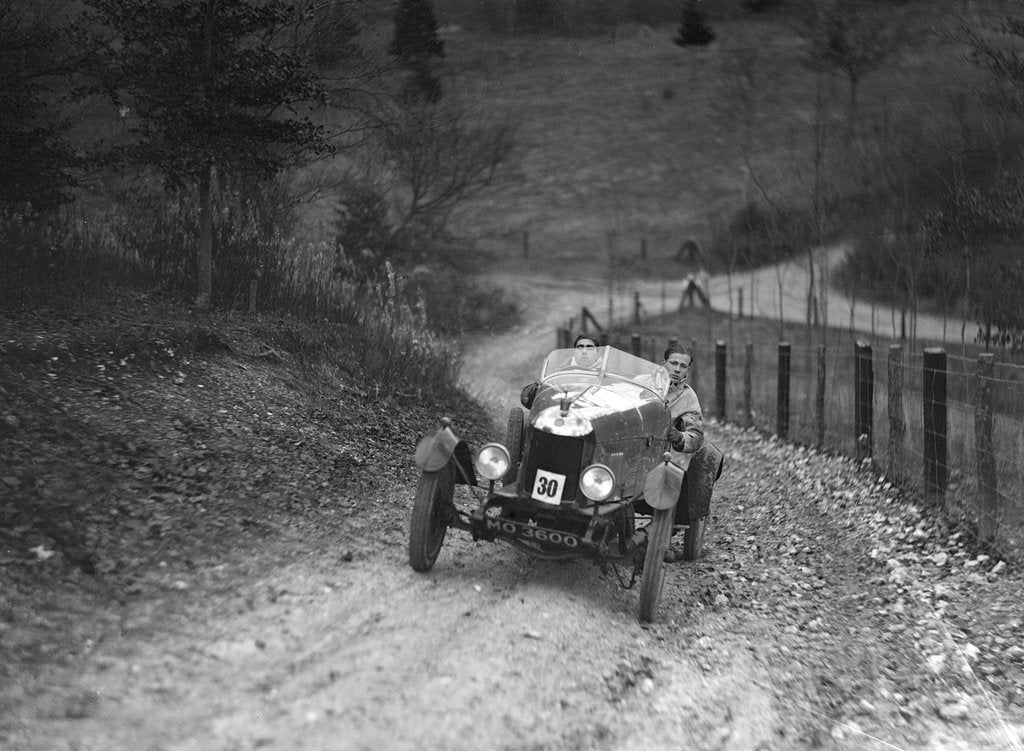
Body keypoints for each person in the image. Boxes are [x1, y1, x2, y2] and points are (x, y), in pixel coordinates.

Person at [520, 334, 600, 409]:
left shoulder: (609, 370)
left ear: (597, 352)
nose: (584, 351)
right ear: (574, 352)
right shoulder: (559, 372)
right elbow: (548, 394)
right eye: (580, 348)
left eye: (589, 348)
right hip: (564, 411)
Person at [663, 343, 703, 458]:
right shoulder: (642, 382)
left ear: (687, 370)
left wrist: (679, 437)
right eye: (673, 363)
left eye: (683, 366)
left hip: (657, 452)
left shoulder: (688, 397)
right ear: (663, 363)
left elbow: (697, 437)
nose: (677, 370)